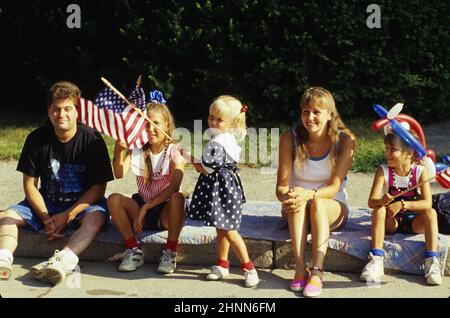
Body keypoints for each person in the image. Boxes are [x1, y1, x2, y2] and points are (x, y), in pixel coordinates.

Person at [0, 81, 114, 285]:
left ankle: (62, 261)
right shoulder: (36, 139)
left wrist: (68, 215)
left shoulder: (92, 141)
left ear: (77, 111)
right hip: (48, 201)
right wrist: (45, 217)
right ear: (49, 111)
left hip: (83, 204)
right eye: (56, 109)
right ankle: (3, 258)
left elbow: (98, 188)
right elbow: (29, 186)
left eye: (67, 108)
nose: (61, 114)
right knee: (6, 216)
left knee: (96, 218)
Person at [276, 87, 355, 297]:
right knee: (298, 200)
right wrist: (291, 196)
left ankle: (318, 271)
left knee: (317, 203)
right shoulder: (289, 138)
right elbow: (281, 187)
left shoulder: (345, 141)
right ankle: (300, 269)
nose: (309, 117)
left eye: (316, 112)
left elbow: (334, 188)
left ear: (330, 114)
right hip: (297, 207)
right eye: (305, 111)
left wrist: (307, 194)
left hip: (332, 206)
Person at [107, 94, 186, 274]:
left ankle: (170, 251)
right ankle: (133, 249)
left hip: (165, 210)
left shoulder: (175, 150)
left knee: (178, 197)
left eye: (156, 123)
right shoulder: (138, 149)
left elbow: (174, 186)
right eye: (146, 123)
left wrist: (147, 207)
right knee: (113, 199)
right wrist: (119, 150)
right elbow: (119, 174)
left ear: (167, 125)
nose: (150, 128)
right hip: (142, 206)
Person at [187, 95, 259, 287]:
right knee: (222, 229)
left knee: (229, 231)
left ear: (232, 122)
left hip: (222, 191)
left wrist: (187, 155)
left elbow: (205, 168)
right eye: (211, 116)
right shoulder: (227, 137)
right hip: (225, 189)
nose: (213, 121)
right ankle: (222, 264)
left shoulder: (218, 143)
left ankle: (249, 267)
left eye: (219, 119)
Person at [360, 132, 442, 285]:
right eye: (387, 148)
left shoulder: (420, 172)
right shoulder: (383, 171)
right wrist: (382, 200)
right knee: (379, 210)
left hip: (414, 222)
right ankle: (377, 260)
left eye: (392, 149)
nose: (387, 153)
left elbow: (427, 203)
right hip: (392, 222)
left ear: (409, 153)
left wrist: (402, 204)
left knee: (431, 213)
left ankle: (432, 261)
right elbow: (371, 202)